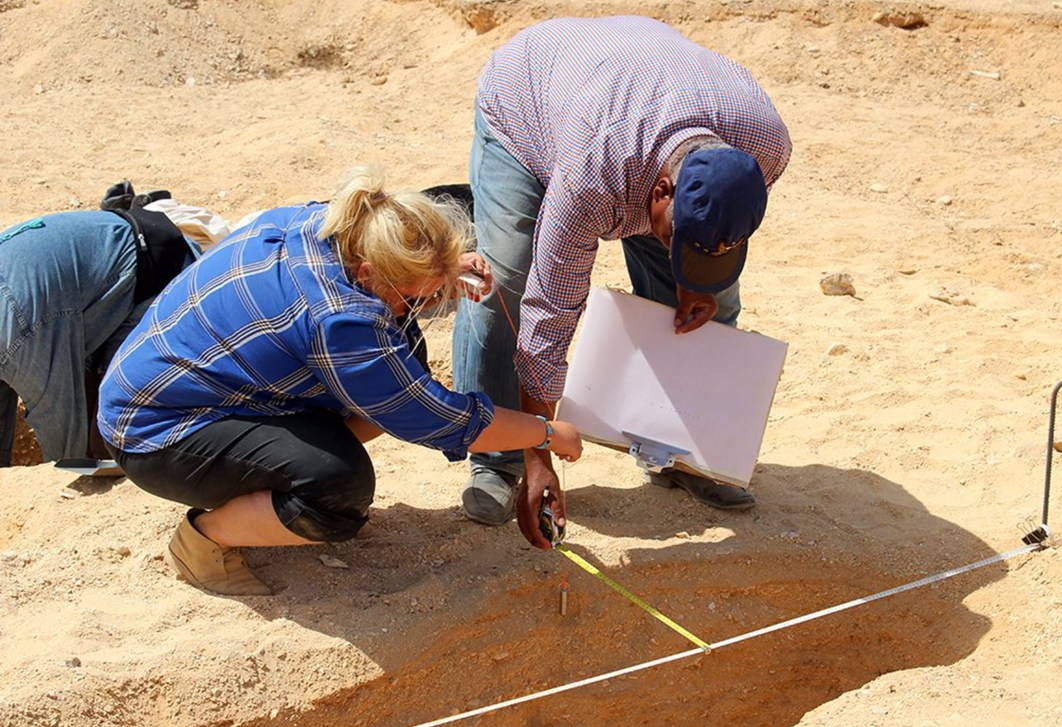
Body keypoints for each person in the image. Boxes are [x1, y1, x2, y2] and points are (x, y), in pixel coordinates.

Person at [98, 166, 583, 597]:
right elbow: (438, 418)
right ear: (371, 272)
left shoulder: (325, 224)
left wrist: (438, 271)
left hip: (174, 383)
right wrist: (545, 432)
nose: (424, 303)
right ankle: (204, 539)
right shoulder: (342, 322)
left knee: (401, 349)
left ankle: (276, 479)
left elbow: (392, 351)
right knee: (337, 488)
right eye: (413, 293)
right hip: (156, 434)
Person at [451, 16, 792, 546]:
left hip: (635, 84)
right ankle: (497, 458)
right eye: (680, 240)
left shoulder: (765, 145)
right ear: (659, 192)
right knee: (507, 280)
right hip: (529, 99)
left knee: (713, 306)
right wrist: (539, 456)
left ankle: (676, 450)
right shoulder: (593, 174)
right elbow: (549, 318)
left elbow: (717, 228)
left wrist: (696, 283)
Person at [0, 200, 200, 467]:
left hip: (160, 273)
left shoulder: (19, 334)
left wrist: (66, 476)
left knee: (104, 430)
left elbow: (63, 441)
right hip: (89, 287)